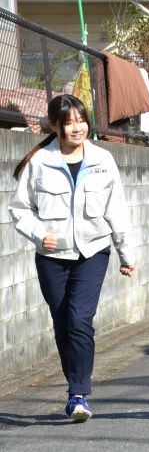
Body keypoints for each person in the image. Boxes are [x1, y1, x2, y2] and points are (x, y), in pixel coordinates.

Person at [9, 94, 135, 422]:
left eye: (81, 120)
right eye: (68, 122)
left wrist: (126, 253)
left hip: (92, 252)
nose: (77, 127)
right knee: (63, 322)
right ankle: (75, 385)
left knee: (80, 319)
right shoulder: (40, 162)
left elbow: (117, 209)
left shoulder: (103, 160)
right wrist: (38, 234)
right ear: (55, 125)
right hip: (51, 257)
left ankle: (78, 394)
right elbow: (19, 209)